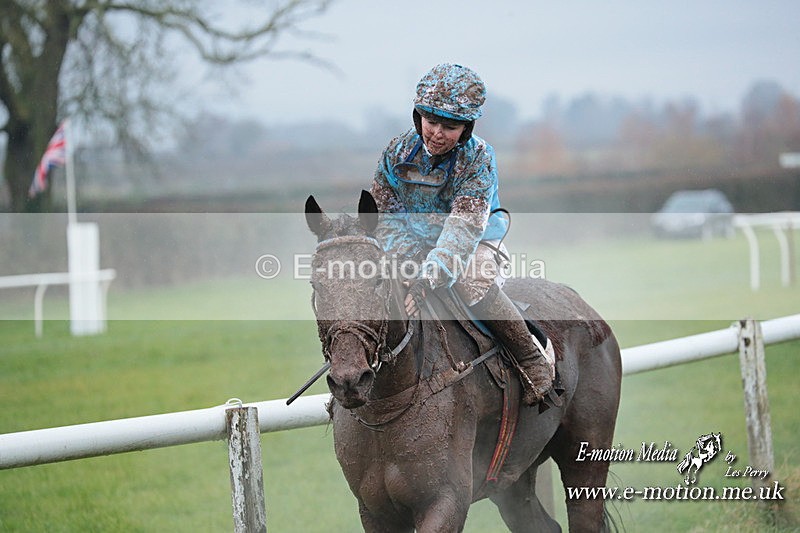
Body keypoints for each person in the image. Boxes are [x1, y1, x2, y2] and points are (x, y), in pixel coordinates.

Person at [370, 63, 555, 406]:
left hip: (476, 242)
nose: (438, 133)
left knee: (470, 281)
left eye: (450, 126)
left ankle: (530, 358)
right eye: (431, 122)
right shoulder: (394, 153)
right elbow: (386, 218)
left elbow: (463, 228)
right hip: (414, 245)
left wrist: (429, 277)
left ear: (467, 127)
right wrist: (411, 261)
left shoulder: (478, 158)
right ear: (417, 117)